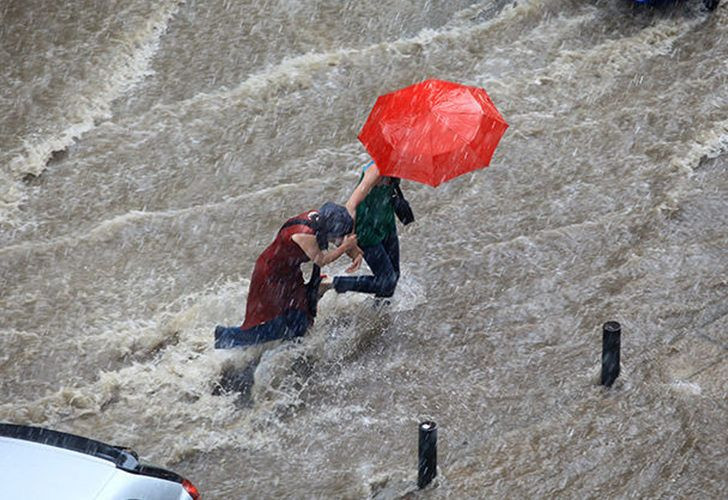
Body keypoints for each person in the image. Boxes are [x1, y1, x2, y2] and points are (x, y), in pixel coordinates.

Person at [214, 202, 359, 349]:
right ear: (330, 230)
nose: (340, 239)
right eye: (339, 235)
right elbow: (322, 260)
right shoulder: (304, 234)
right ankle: (227, 337)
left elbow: (335, 241)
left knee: (300, 316)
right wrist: (345, 247)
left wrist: (355, 253)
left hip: (288, 271)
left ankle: (291, 348)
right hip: (270, 275)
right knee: (277, 323)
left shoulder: (321, 220)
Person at [323, 160, 401, 299]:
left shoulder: (396, 167)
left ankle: (379, 315)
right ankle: (331, 283)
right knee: (387, 282)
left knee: (393, 276)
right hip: (366, 232)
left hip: (386, 225)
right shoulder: (375, 171)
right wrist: (351, 245)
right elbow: (351, 205)